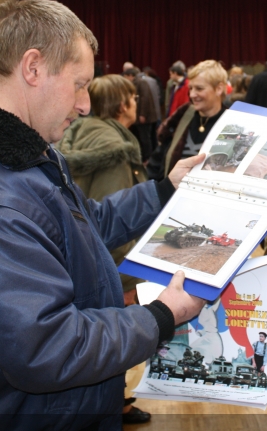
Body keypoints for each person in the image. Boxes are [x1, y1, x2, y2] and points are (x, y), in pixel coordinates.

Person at [0, 0, 205, 431]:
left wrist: (165, 189)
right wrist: (161, 316)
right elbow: (45, 348)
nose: (85, 104)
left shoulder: (22, 152)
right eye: (79, 84)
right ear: (33, 68)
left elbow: (87, 225)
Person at [59, 73, 154, 425]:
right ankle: (120, 403)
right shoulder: (113, 148)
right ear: (120, 104)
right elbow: (107, 210)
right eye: (132, 97)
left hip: (86, 263)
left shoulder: (82, 133)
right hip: (112, 265)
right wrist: (128, 275)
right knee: (113, 344)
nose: (137, 102)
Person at [148, 60, 228, 181]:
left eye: (199, 89)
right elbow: (156, 163)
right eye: (191, 88)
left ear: (219, 89)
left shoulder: (233, 123)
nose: (192, 95)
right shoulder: (181, 117)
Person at [122, 67, 158, 161]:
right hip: (139, 117)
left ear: (130, 76)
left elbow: (145, 99)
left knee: (145, 138)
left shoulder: (140, 82)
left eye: (125, 76)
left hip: (144, 117)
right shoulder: (136, 82)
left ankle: (148, 158)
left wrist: (143, 114)